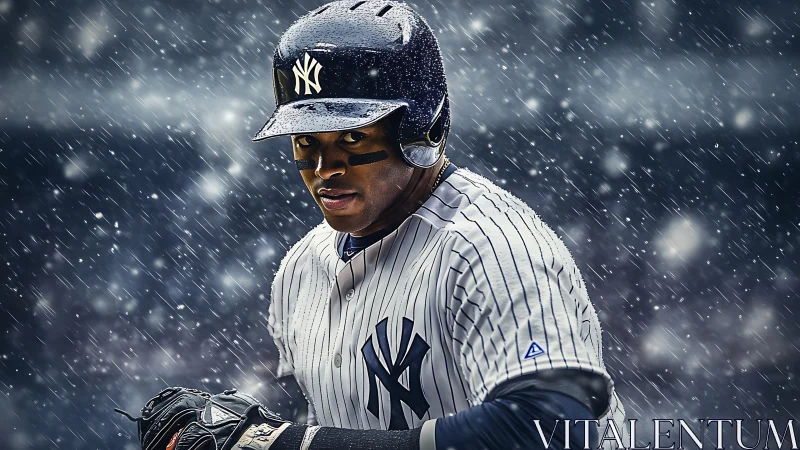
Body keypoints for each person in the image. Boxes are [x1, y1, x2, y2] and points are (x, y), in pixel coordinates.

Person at [120, 1, 629, 449]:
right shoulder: (300, 269)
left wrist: (280, 443)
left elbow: (553, 430)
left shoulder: (492, 249)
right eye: (306, 141)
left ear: (420, 127)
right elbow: (319, 417)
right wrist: (232, 419)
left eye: (352, 137)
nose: (325, 169)